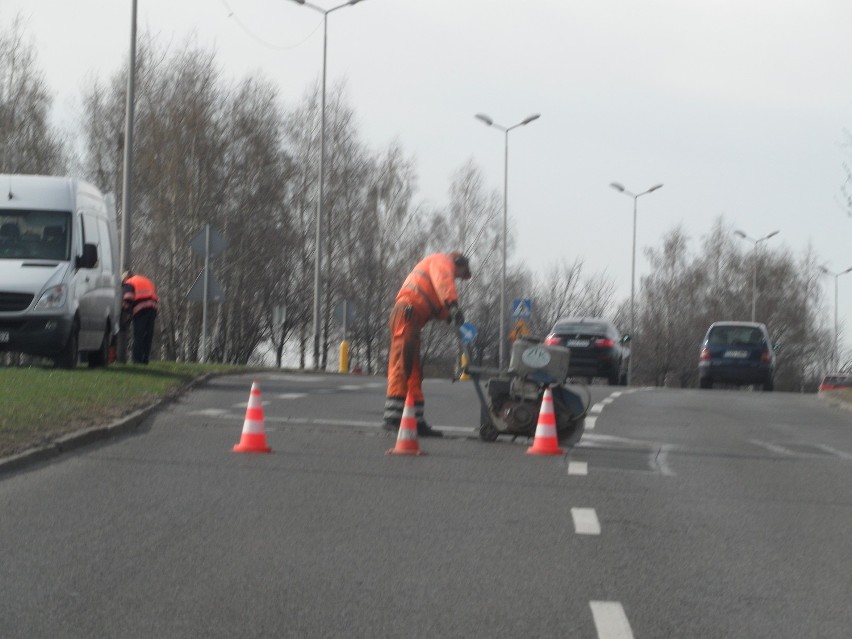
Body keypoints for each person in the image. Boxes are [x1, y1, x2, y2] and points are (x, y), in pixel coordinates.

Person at [383, 252, 472, 437]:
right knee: (401, 365)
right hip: (407, 313)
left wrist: (449, 316)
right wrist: (453, 305)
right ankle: (392, 417)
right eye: (459, 273)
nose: (457, 278)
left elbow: (435, 303)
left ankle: (416, 420)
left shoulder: (438, 272)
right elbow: (443, 283)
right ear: (457, 262)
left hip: (413, 317)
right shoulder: (442, 261)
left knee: (414, 371)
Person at [122, 270, 159, 364]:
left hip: (141, 309)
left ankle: (136, 359)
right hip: (152, 308)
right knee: (148, 335)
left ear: (125, 278)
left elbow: (128, 297)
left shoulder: (129, 282)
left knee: (139, 335)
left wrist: (125, 310)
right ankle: (145, 358)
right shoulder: (145, 280)